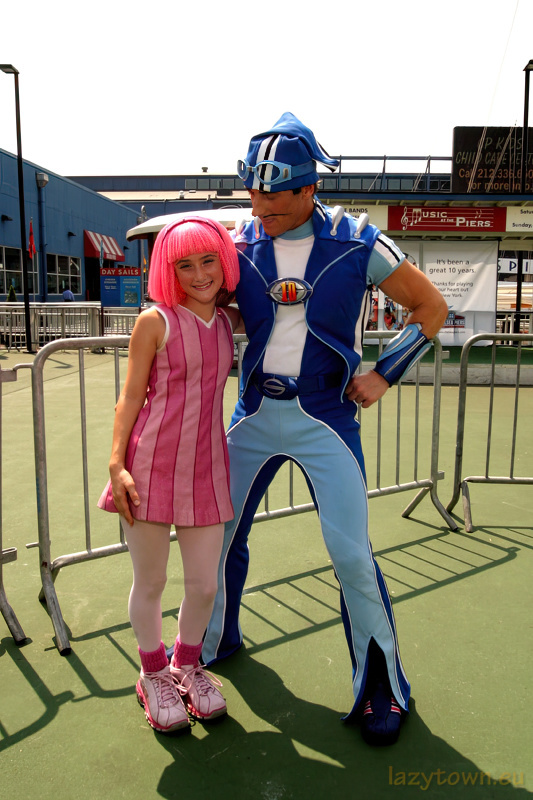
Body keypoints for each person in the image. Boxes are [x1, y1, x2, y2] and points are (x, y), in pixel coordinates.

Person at [202, 112, 449, 746]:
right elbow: (200, 302)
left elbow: (431, 307)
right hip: (253, 412)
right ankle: (213, 638)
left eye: (273, 192)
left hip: (327, 417)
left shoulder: (360, 240)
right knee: (218, 535)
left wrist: (385, 374)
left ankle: (382, 688)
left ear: (309, 187)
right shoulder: (237, 243)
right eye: (252, 190)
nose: (259, 204)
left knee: (349, 552)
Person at [98, 216, 240, 734]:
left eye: (208, 260)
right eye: (185, 264)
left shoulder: (228, 322)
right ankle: (153, 674)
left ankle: (186, 666)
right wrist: (117, 466)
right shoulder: (154, 320)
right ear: (169, 269)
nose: (199, 274)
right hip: (149, 467)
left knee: (205, 585)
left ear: (223, 262)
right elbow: (131, 397)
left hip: (207, 467)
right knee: (152, 580)